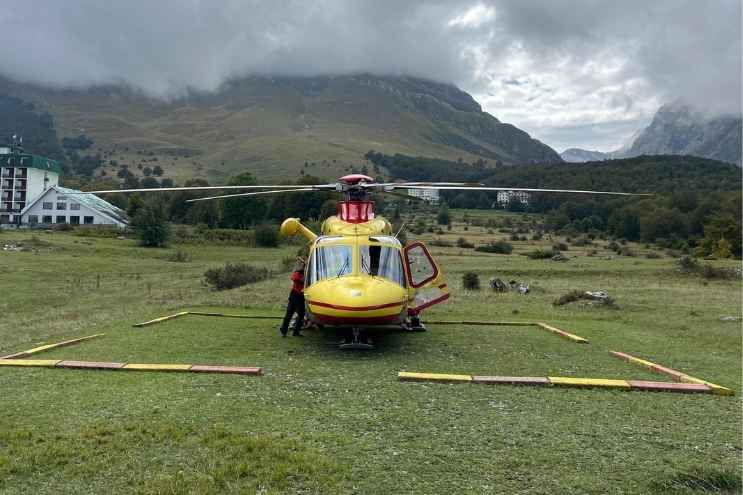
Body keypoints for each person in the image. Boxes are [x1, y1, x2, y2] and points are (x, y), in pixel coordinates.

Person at [279, 256, 306, 337]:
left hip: (300, 295)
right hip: (295, 294)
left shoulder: (305, 273)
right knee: (291, 313)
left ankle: (294, 331)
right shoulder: (298, 273)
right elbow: (295, 278)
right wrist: (304, 278)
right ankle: (285, 330)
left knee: (300, 314)